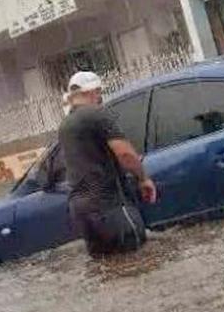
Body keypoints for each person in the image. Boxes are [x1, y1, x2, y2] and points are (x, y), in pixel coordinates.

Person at [58, 71, 158, 259]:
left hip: (82, 213)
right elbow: (125, 154)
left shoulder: (65, 125)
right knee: (140, 260)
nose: (100, 98)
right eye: (99, 93)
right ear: (93, 91)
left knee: (107, 266)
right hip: (110, 207)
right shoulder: (97, 114)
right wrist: (144, 179)